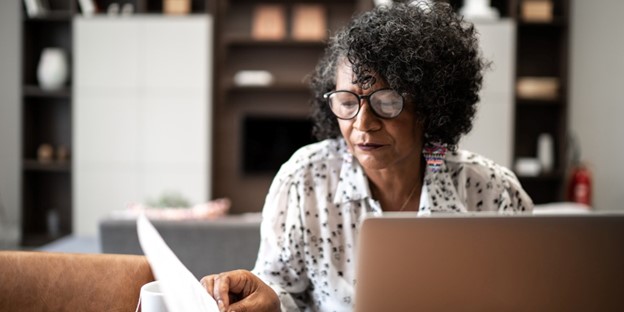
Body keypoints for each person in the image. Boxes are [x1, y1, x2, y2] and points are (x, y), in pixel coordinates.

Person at [201, 1, 534, 311]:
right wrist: (266, 296)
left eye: (386, 102)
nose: (362, 124)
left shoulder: (490, 191)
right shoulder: (305, 180)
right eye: (347, 103)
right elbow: (285, 290)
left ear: (430, 107)